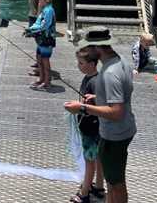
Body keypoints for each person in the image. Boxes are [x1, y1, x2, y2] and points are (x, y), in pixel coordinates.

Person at [64, 28, 136, 203]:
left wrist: (82, 108)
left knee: (114, 186)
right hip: (125, 129)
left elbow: (116, 112)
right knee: (116, 181)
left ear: (98, 48)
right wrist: (99, 97)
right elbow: (122, 95)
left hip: (114, 135)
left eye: (89, 47)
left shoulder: (110, 73)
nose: (87, 51)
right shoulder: (121, 62)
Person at [71, 48, 106, 203]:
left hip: (92, 129)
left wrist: (81, 107)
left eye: (81, 63)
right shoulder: (89, 78)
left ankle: (84, 193)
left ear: (92, 64)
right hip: (95, 128)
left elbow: (100, 105)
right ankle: (98, 187)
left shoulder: (95, 81)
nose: (78, 65)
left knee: (89, 161)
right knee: (98, 158)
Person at [27, 0, 56, 90]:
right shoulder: (44, 10)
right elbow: (37, 23)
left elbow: (45, 26)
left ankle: (47, 81)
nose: (39, 1)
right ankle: (41, 78)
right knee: (39, 59)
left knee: (45, 60)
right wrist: (30, 29)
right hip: (41, 39)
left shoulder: (49, 11)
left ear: (47, 0)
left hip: (47, 39)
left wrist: (32, 31)